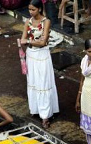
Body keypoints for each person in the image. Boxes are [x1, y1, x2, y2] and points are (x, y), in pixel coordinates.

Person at [20, 0, 59, 129]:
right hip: (31, 55)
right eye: (29, 9)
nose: (31, 12)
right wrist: (31, 42)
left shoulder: (46, 22)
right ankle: (37, 110)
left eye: (33, 10)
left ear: (39, 9)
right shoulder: (28, 22)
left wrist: (29, 41)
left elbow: (43, 42)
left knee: (43, 83)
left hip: (42, 55)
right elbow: (23, 39)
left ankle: (45, 115)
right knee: (34, 82)